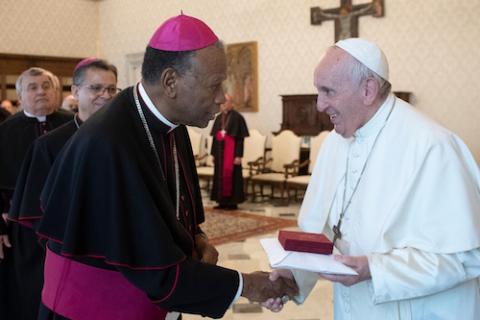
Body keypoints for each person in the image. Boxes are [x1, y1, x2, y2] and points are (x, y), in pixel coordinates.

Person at [36, 13, 297, 320]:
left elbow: (171, 212)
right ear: (171, 82)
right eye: (215, 84)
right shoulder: (110, 143)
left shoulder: (173, 125)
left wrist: (196, 239)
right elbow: (156, 272)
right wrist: (250, 285)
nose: (222, 97)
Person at [264, 38, 480, 318]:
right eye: (318, 91)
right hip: (352, 306)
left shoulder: (433, 146)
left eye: (328, 91)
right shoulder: (334, 143)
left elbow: (467, 257)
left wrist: (375, 270)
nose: (319, 105)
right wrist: (291, 277)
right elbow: (321, 231)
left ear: (368, 90)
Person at [6, 57, 117, 320]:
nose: (105, 96)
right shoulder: (43, 143)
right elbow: (35, 207)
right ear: (76, 92)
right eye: (96, 88)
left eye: (111, 90)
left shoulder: (123, 137)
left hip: (110, 248)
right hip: (59, 247)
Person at [0, 67, 73, 319]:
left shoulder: (76, 126)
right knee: (26, 290)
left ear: (57, 91)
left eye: (47, 86)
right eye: (33, 87)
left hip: (69, 225)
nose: (41, 91)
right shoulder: (5, 131)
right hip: (21, 226)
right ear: (20, 96)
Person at [210, 93, 249, 210]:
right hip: (220, 154)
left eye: (225, 102)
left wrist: (238, 155)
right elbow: (215, 137)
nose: (223, 105)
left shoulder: (238, 117)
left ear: (231, 103)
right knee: (219, 177)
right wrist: (213, 154)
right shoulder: (218, 118)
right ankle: (221, 201)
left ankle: (232, 203)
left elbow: (240, 139)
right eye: (222, 103)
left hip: (232, 154)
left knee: (233, 177)